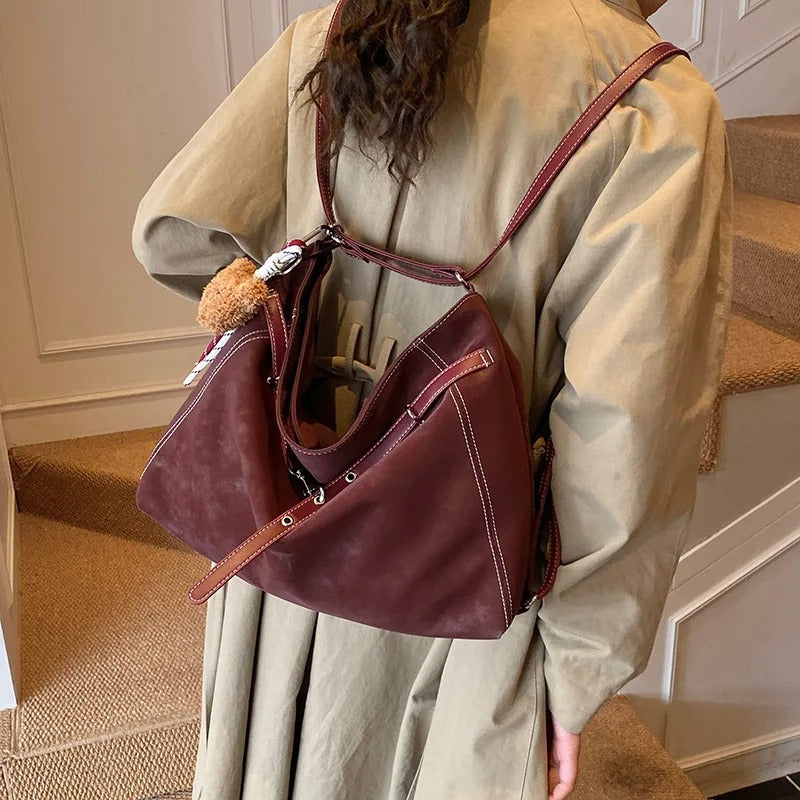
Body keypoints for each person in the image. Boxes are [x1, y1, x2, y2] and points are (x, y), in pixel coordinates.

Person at [131, 0, 732, 797]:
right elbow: (628, 439)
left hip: (283, 527)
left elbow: (171, 235)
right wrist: (578, 672)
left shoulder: (340, 29)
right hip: (462, 577)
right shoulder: (650, 106)